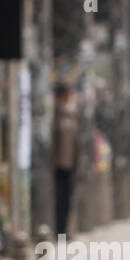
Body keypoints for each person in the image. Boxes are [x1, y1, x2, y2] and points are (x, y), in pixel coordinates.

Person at [53, 83, 80, 236]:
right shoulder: (56, 115)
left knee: (69, 199)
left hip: (71, 164)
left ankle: (66, 229)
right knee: (60, 199)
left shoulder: (72, 114)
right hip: (59, 165)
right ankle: (60, 230)